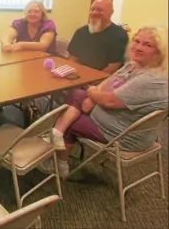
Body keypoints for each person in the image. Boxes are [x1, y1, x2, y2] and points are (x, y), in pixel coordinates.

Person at [39, 25, 168, 178]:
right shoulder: (133, 65)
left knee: (70, 116)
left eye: (147, 45)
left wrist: (92, 93)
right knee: (77, 96)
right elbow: (109, 81)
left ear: (159, 52)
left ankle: (60, 163)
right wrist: (94, 94)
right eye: (137, 41)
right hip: (121, 119)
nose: (138, 47)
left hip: (126, 135)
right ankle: (58, 134)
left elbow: (109, 102)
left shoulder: (151, 80)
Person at [67, 0, 129, 74]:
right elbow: (72, 58)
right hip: (78, 75)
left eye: (100, 10)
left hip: (101, 79)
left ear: (111, 13)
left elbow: (113, 67)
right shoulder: (80, 32)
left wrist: (91, 80)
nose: (94, 12)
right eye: (92, 9)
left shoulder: (119, 35)